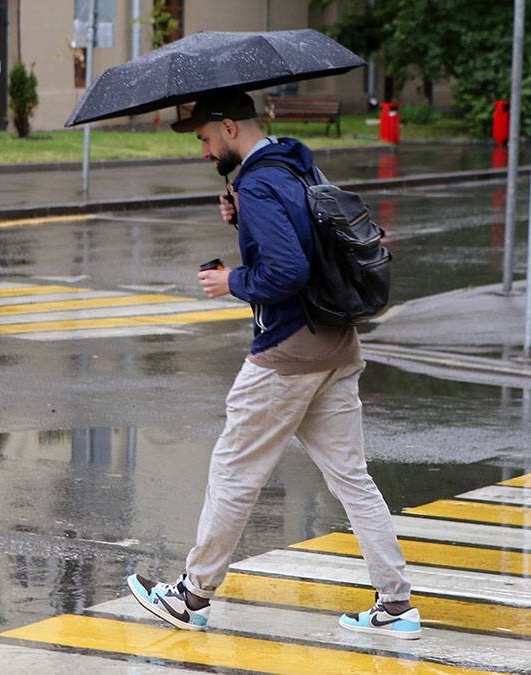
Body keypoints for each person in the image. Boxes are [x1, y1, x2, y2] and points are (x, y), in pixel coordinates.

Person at [126, 89, 421, 640]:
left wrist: (230, 280)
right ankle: (397, 603)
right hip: (336, 345)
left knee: (234, 471)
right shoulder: (294, 163)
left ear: (230, 128)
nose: (205, 150)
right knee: (352, 479)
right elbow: (306, 239)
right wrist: (242, 219)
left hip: (288, 353)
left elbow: (286, 271)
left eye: (206, 138)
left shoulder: (260, 182)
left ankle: (191, 597)